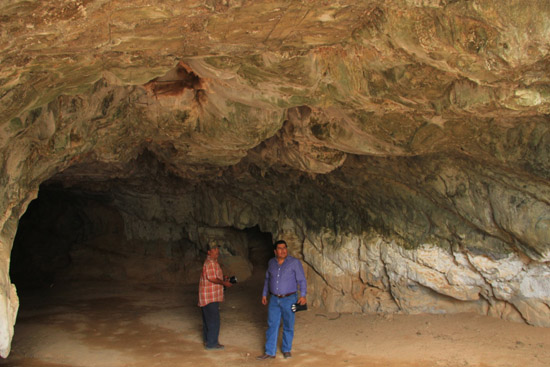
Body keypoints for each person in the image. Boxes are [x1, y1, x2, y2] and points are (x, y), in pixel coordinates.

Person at [257, 239, 307, 360]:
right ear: (275, 251)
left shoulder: (294, 262)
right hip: (274, 299)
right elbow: (268, 280)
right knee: (272, 325)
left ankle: (286, 349)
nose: (283, 251)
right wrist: (264, 294)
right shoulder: (271, 263)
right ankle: (270, 352)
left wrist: (303, 295)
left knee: (288, 324)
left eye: (284, 248)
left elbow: (302, 280)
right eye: (280, 248)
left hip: (289, 298)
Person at [198, 241, 233, 350]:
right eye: (214, 249)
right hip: (210, 297)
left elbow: (214, 275)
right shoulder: (210, 263)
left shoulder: (213, 262)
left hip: (208, 296)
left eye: (217, 248)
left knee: (208, 319)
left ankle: (207, 340)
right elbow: (212, 278)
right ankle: (212, 344)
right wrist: (224, 283)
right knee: (214, 320)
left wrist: (223, 277)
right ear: (209, 252)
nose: (217, 251)